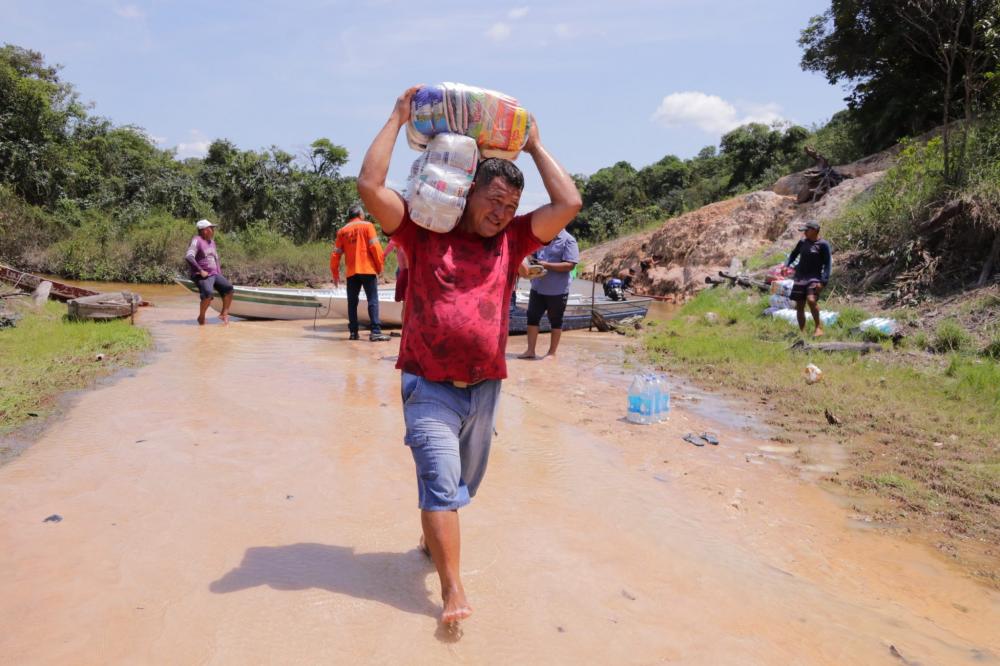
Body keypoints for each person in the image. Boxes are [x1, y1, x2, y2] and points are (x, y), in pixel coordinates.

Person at [357, 85, 581, 625]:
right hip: (428, 385)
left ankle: (430, 535)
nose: (502, 213)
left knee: (457, 488)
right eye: (493, 202)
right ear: (465, 195)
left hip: (485, 390)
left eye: (510, 206)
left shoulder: (516, 241)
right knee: (441, 483)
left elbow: (569, 204)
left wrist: (534, 148)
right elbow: (370, 186)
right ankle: (453, 592)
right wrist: (396, 118)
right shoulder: (421, 234)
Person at [517, 227, 579, 359]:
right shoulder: (543, 237)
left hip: (557, 289)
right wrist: (531, 261)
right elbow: (534, 256)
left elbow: (570, 265)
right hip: (537, 286)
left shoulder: (569, 240)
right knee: (532, 317)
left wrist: (546, 265)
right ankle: (530, 351)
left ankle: (551, 353)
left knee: (556, 321)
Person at [331, 205, 390, 341]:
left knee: (352, 303)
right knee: (372, 299)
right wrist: (380, 267)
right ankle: (375, 332)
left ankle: (353, 333)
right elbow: (375, 248)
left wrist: (335, 274)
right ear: (360, 214)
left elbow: (336, 254)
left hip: (351, 272)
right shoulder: (367, 226)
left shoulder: (342, 231)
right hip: (367, 269)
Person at [785, 220, 832, 337]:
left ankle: (819, 327)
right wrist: (786, 265)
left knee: (811, 300)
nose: (804, 233)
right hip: (800, 277)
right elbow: (793, 254)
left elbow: (828, 264)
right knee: (799, 305)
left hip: (814, 277)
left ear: (814, 231)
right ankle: (802, 332)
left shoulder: (823, 245)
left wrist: (823, 282)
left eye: (807, 230)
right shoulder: (802, 242)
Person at [184, 219, 233, 325]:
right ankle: (201, 317)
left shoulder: (212, 242)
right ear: (205, 230)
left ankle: (224, 314)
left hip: (214, 274)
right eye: (211, 228)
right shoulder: (196, 240)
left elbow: (216, 259)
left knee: (229, 288)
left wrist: (219, 273)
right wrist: (200, 271)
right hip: (202, 275)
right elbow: (189, 256)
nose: (213, 230)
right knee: (208, 293)